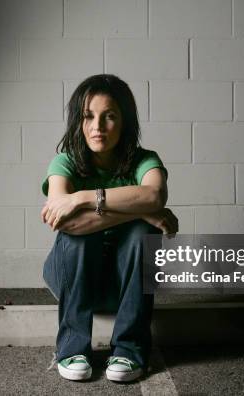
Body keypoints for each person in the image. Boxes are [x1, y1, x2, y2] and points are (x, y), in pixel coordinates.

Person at [40, 74, 178, 383]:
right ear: (78, 120)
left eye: (109, 116)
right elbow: (65, 222)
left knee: (144, 235)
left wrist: (85, 198)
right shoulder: (65, 163)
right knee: (80, 237)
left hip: (124, 283)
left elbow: (155, 195)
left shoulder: (145, 160)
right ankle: (72, 349)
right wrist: (141, 212)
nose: (97, 126)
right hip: (72, 276)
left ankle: (129, 350)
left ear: (125, 121)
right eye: (88, 116)